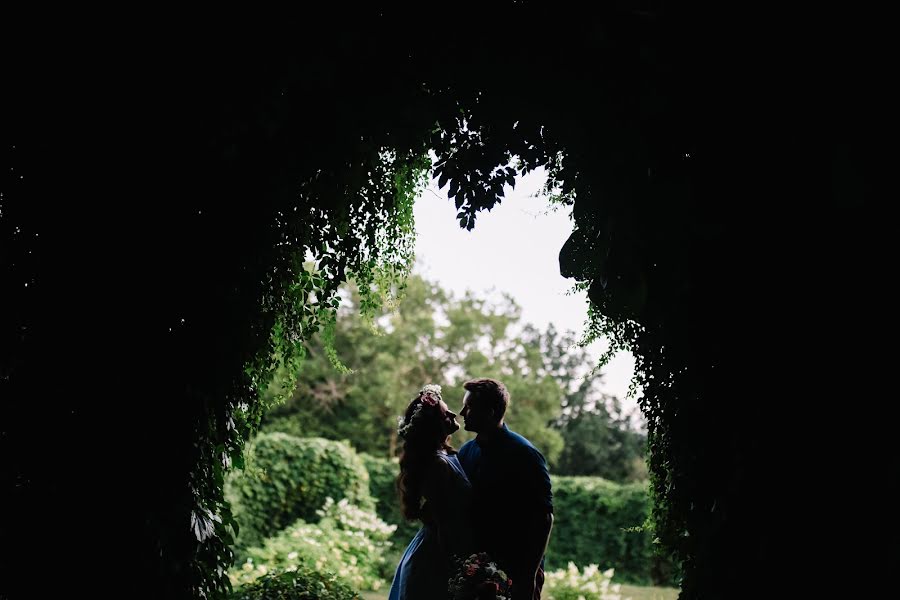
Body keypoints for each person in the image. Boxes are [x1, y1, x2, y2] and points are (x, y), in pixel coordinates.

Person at [457, 378, 554, 600]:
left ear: (490, 412)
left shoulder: (525, 455)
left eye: (469, 406)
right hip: (477, 570)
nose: (462, 412)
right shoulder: (466, 452)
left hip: (516, 572)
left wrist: (529, 576)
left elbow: (544, 517)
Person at [388, 384, 475, 600]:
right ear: (435, 425)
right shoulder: (437, 464)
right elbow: (444, 522)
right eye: (446, 413)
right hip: (435, 556)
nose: (454, 413)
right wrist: (459, 566)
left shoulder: (444, 456)